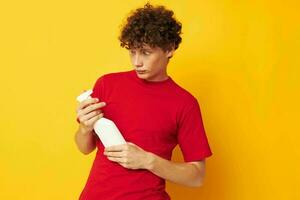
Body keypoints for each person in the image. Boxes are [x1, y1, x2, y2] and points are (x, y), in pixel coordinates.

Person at [74, 2, 213, 200]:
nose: (137, 61)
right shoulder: (107, 84)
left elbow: (197, 176)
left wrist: (147, 160)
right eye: (133, 51)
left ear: (170, 49)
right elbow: (84, 148)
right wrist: (84, 129)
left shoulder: (184, 103)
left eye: (146, 52)